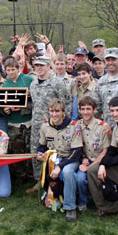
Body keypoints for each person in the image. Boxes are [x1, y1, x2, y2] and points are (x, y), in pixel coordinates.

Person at [28, 56, 72, 193]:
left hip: (53, 126)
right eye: (37, 65)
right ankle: (38, 181)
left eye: (42, 65)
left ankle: (54, 181)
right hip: (36, 126)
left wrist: (64, 123)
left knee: (54, 155)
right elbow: (34, 104)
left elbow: (67, 104)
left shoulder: (57, 84)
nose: (39, 68)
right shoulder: (33, 84)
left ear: (49, 67)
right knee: (36, 153)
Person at [36, 98, 83, 222]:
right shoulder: (45, 126)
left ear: (63, 112)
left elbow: (77, 151)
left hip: (70, 159)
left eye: (57, 111)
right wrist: (40, 154)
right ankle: (51, 198)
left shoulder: (73, 126)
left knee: (67, 172)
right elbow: (42, 146)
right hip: (52, 159)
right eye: (51, 111)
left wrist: (60, 166)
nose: (54, 114)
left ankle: (70, 207)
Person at [75, 96, 111, 213]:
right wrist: (84, 159)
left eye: (88, 109)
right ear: (79, 110)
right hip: (86, 160)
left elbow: (105, 150)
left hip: (100, 161)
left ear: (94, 110)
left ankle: (103, 201)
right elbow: (78, 146)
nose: (85, 112)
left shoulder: (103, 127)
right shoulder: (77, 126)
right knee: (80, 179)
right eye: (83, 109)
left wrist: (90, 166)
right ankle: (83, 201)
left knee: (94, 175)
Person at [2, 58, 35, 182]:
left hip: (28, 121)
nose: (11, 72)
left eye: (13, 69)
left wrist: (29, 94)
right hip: (14, 123)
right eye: (8, 70)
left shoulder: (28, 79)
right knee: (16, 148)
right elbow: (2, 104)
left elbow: (37, 95)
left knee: (30, 148)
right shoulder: (5, 85)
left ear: (18, 69)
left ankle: (32, 175)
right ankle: (20, 176)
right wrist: (6, 109)